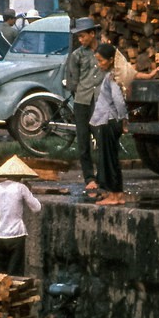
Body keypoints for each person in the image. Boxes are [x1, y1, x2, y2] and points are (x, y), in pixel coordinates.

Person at [64, 17, 105, 196]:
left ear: (92, 34)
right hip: (82, 101)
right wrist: (78, 92)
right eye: (78, 37)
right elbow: (72, 81)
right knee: (83, 141)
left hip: (102, 102)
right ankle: (89, 178)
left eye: (83, 36)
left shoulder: (106, 51)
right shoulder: (77, 55)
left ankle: (103, 176)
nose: (81, 40)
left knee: (102, 140)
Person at [0, 155, 42, 275]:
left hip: (0, 235)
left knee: (0, 274)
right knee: (16, 273)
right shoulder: (21, 187)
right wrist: (29, 191)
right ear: (20, 175)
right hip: (17, 235)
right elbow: (37, 208)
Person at [90, 42, 128, 206]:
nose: (99, 64)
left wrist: (123, 118)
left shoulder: (112, 76)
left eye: (101, 60)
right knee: (112, 158)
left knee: (109, 159)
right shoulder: (113, 74)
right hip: (110, 120)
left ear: (111, 59)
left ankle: (114, 195)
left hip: (109, 120)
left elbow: (118, 100)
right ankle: (117, 194)